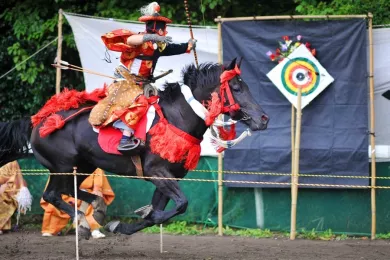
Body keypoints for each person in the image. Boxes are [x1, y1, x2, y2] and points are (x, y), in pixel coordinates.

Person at [88, 1, 197, 152]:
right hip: (125, 81)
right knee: (140, 102)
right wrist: (150, 37)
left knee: (159, 104)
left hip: (142, 84)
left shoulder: (159, 47)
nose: (164, 32)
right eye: (162, 30)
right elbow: (130, 39)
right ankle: (125, 138)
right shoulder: (138, 41)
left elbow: (174, 48)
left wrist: (188, 46)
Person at [40, 168, 115, 239]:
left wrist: (97, 190)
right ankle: (50, 230)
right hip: (65, 194)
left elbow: (98, 184)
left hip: (85, 194)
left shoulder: (94, 166)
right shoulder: (62, 165)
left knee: (95, 200)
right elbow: (53, 185)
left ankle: (94, 229)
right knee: (53, 203)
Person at [0, 161, 32, 235]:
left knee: (3, 199)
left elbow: (14, 177)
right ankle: (4, 227)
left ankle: (2, 227)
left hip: (7, 186)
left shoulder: (12, 161)